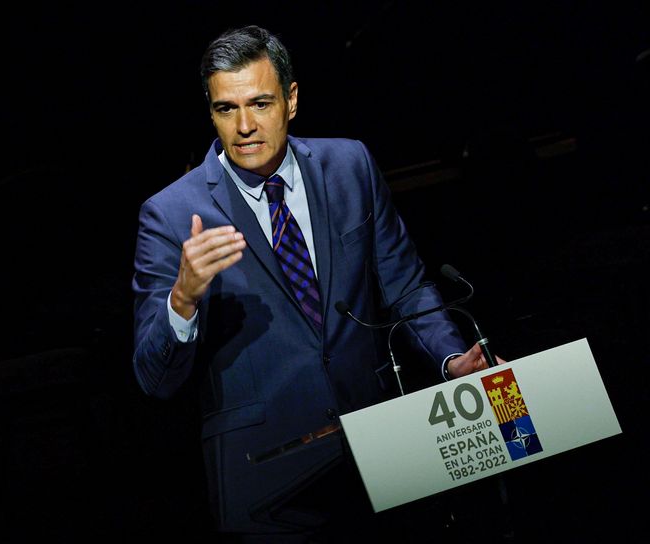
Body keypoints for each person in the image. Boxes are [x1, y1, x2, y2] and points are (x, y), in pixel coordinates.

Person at [132, 24, 504, 542]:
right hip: (266, 482)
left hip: (382, 453)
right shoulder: (171, 214)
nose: (243, 126)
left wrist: (448, 359)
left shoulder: (349, 165)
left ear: (291, 100)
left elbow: (406, 286)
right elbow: (154, 378)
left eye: (260, 104)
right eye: (226, 109)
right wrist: (183, 298)